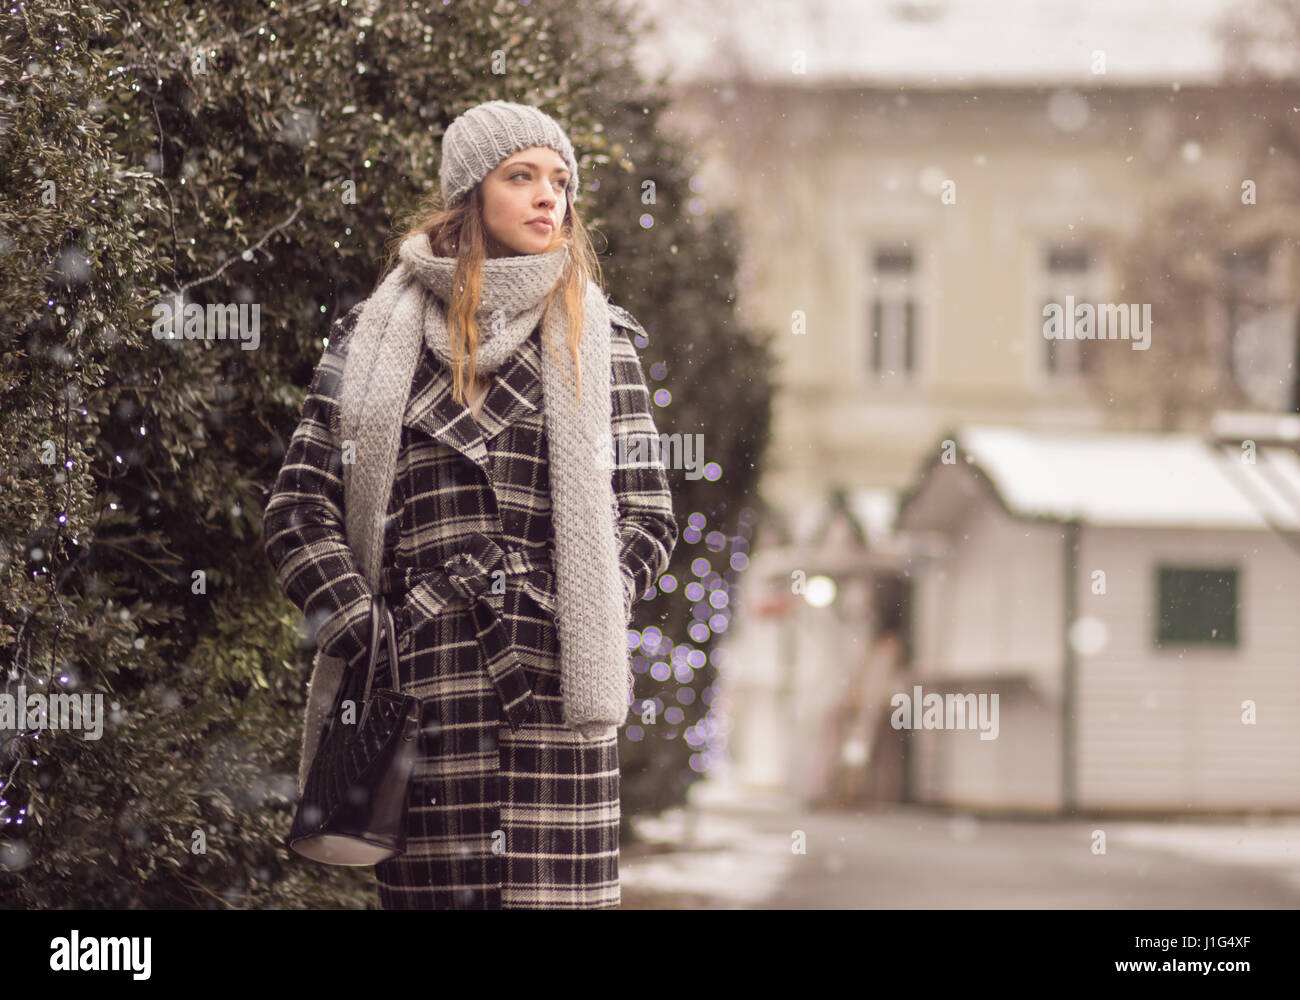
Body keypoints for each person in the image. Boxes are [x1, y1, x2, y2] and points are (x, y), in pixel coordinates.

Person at [262, 100, 678, 908]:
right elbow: (298, 509)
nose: (547, 197)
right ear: (469, 197)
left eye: (559, 181)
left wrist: (587, 602)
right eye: (521, 177)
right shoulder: (372, 339)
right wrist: (370, 629)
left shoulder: (599, 338)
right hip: (422, 698)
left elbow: (647, 512)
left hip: (558, 694)